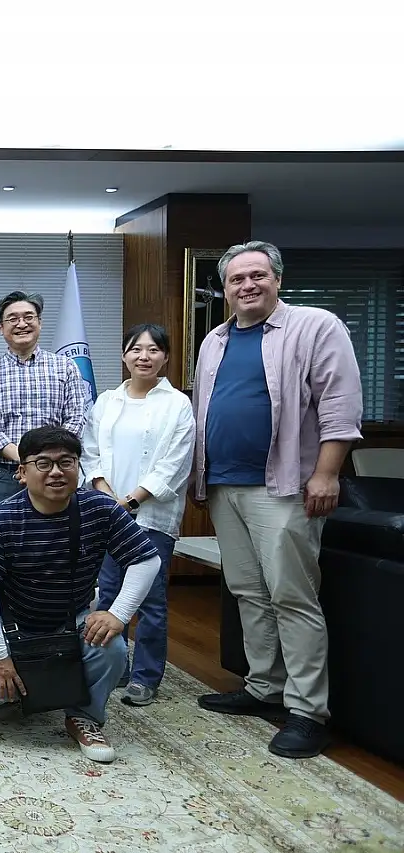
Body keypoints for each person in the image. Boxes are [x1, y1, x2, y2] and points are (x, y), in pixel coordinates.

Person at [191, 241, 363, 759]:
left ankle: (308, 711)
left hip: (284, 486)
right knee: (247, 591)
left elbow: (340, 406)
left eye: (257, 275)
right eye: (236, 279)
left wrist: (326, 474)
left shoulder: (315, 326)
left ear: (278, 280)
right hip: (224, 485)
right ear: (224, 289)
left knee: (292, 596)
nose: (247, 285)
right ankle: (264, 686)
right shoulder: (214, 340)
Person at [0, 427, 160, 763]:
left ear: (78, 467)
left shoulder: (100, 509)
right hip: (14, 626)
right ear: (22, 472)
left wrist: (118, 614)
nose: (56, 472)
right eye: (43, 463)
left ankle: (84, 716)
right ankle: (18, 684)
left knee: (113, 647)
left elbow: (146, 560)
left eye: (66, 462)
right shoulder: (3, 518)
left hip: (72, 620)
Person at [81, 324, 194, 707]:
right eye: (136, 349)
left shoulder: (177, 404)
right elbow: (90, 452)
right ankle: (115, 666)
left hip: (152, 515)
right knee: (109, 593)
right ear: (124, 355)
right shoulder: (107, 401)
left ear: (165, 357)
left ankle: (146, 676)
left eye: (153, 350)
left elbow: (174, 464)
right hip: (108, 513)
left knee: (150, 598)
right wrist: (106, 496)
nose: (144, 356)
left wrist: (129, 502)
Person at [0, 291, 93, 514]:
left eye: (28, 317)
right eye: (13, 319)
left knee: (57, 533)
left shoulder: (65, 367)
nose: (21, 324)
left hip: (55, 473)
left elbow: (75, 419)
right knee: (0, 534)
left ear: (40, 322)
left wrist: (43, 461)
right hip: (3, 477)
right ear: (0, 327)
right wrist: (26, 460)